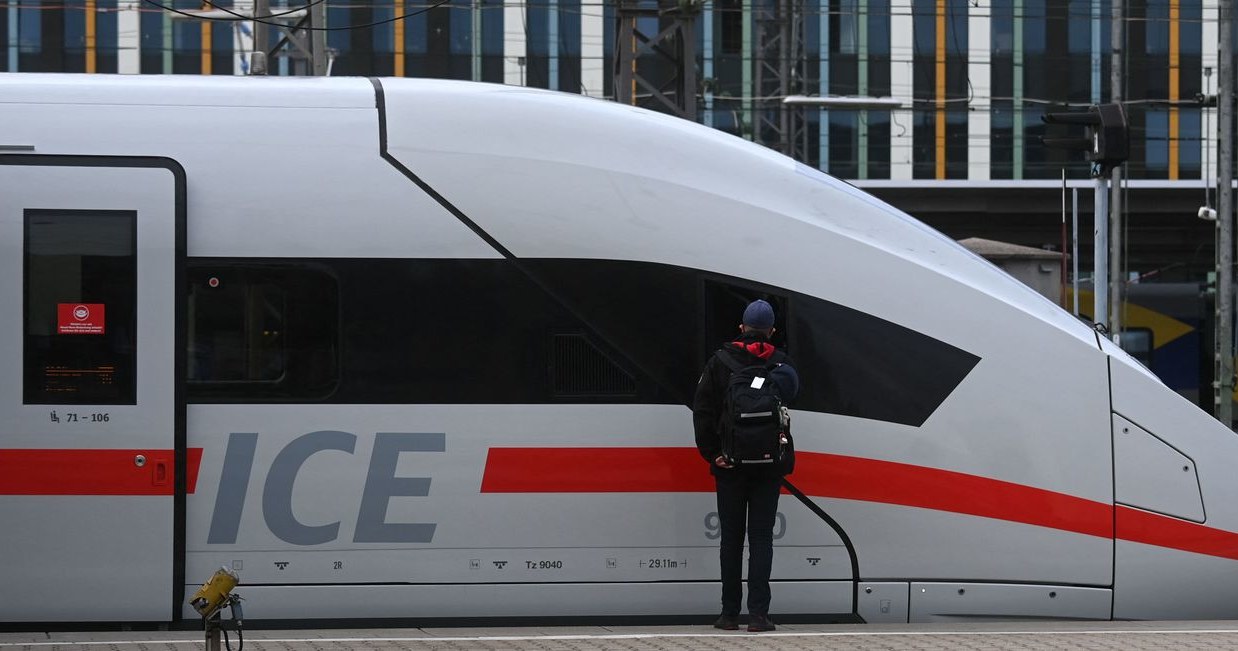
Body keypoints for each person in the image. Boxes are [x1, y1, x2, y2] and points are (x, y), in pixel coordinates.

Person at [692, 299, 799, 633]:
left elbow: (703, 412)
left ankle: (728, 615)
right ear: (771, 331)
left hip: (729, 466)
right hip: (768, 468)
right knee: (761, 540)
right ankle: (758, 616)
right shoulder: (780, 364)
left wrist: (713, 454)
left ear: (741, 327)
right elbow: (793, 397)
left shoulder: (719, 363)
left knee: (731, 541)